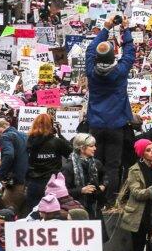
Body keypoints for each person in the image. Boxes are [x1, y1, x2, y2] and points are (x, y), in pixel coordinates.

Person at [86, 15, 136, 205]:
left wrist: (105, 28)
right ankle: (110, 201)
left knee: (95, 163)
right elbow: (130, 54)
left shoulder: (91, 71)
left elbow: (90, 50)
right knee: (113, 166)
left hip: (96, 124)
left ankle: (94, 198)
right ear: (113, 57)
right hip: (116, 125)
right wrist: (126, 29)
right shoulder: (120, 72)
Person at [25, 114, 74, 210]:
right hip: (52, 183)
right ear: (51, 125)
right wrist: (60, 135)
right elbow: (72, 154)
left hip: (33, 182)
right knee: (53, 212)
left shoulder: (29, 141)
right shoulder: (57, 142)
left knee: (33, 213)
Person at [62, 134, 105, 218]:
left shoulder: (97, 163)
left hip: (95, 208)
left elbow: (105, 177)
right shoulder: (68, 167)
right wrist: (81, 190)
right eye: (91, 146)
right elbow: (63, 191)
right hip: (76, 210)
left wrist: (103, 185)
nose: (95, 148)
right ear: (82, 148)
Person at [0, 118, 28, 214]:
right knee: (21, 215)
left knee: (6, 214)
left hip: (15, 184)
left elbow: (9, 155)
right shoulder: (24, 135)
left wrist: (0, 174)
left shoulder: (6, 136)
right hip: (28, 182)